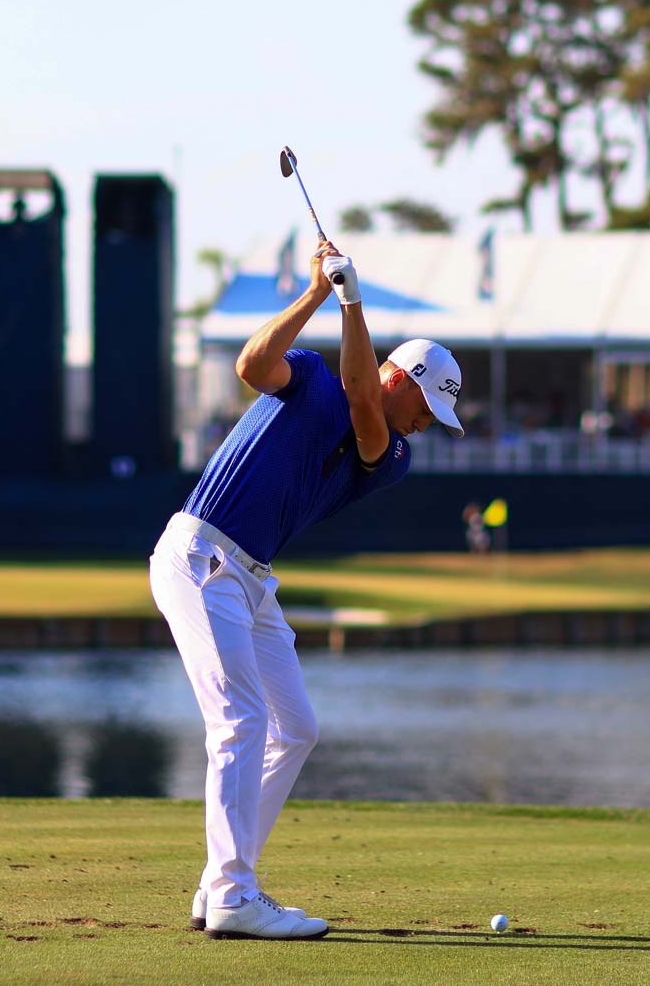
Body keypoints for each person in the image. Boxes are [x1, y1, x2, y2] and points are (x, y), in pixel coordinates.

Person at [149, 240, 464, 941]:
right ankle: (232, 894)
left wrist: (351, 302)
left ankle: (220, 882)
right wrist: (319, 293)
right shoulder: (311, 374)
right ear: (404, 379)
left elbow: (363, 399)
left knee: (295, 728)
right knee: (241, 722)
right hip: (201, 557)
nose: (426, 427)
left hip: (250, 579)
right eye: (428, 409)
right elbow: (250, 366)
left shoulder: (392, 454)